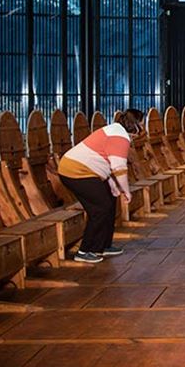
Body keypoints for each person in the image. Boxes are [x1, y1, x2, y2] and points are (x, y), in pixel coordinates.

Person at [57, 108, 144, 263]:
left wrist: (111, 184)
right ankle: (85, 250)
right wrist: (126, 191)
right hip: (76, 171)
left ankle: (103, 245)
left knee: (110, 200)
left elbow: (105, 161)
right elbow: (119, 167)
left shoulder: (115, 130)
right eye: (142, 124)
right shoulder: (120, 136)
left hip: (87, 170)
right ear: (136, 124)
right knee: (100, 207)